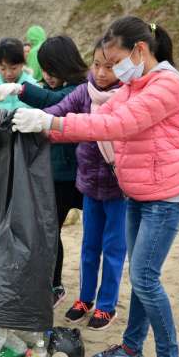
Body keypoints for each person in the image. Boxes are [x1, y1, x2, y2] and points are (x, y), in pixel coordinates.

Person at [13, 17, 179, 357]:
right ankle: (131, 348)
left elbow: (118, 125)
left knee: (145, 278)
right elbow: (101, 115)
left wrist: (52, 123)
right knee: (143, 276)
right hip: (138, 194)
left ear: (139, 51)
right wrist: (48, 124)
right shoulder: (135, 83)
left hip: (166, 197)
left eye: (115, 60)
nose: (109, 70)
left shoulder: (166, 85)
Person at [0, 36, 88, 308]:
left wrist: (19, 90)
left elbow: (54, 99)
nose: (47, 76)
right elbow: (46, 95)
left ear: (65, 65)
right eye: (43, 70)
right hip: (55, 178)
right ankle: (54, 285)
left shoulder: (81, 89)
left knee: (94, 241)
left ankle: (94, 297)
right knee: (48, 234)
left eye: (51, 69)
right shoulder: (48, 86)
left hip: (84, 178)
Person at [38, 38, 125, 330]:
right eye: (97, 64)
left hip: (118, 187)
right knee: (89, 245)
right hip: (88, 183)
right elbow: (59, 109)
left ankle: (106, 305)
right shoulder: (83, 92)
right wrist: (38, 120)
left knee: (113, 247)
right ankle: (85, 299)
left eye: (110, 67)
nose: (101, 73)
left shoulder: (127, 97)